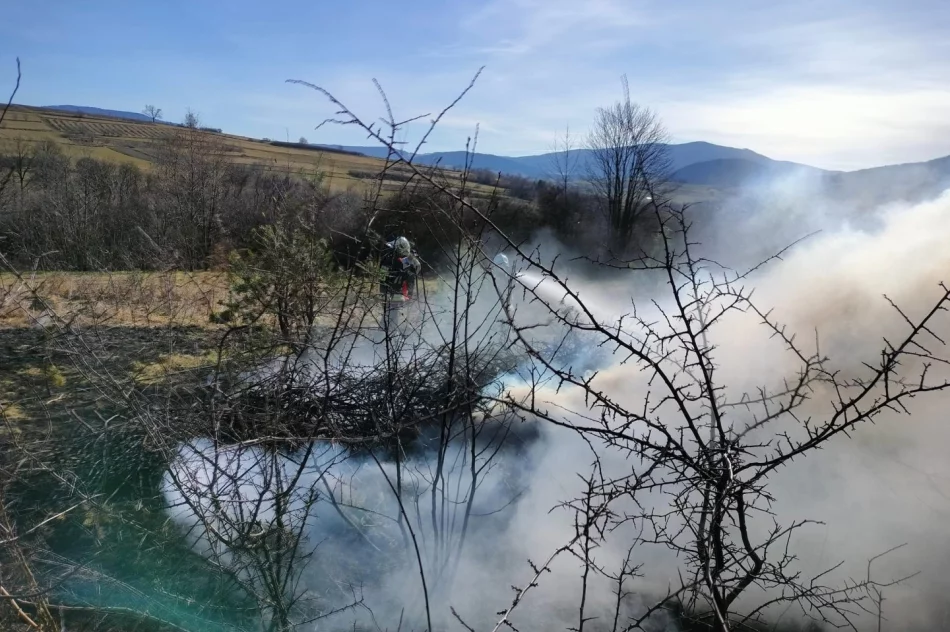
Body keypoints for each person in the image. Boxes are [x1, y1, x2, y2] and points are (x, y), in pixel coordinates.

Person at [380, 236, 422, 332]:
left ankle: (382, 337)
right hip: (395, 295)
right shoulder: (399, 262)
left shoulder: (386, 260)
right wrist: (411, 257)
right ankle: (386, 338)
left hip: (385, 294)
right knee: (391, 320)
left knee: (387, 318)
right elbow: (417, 267)